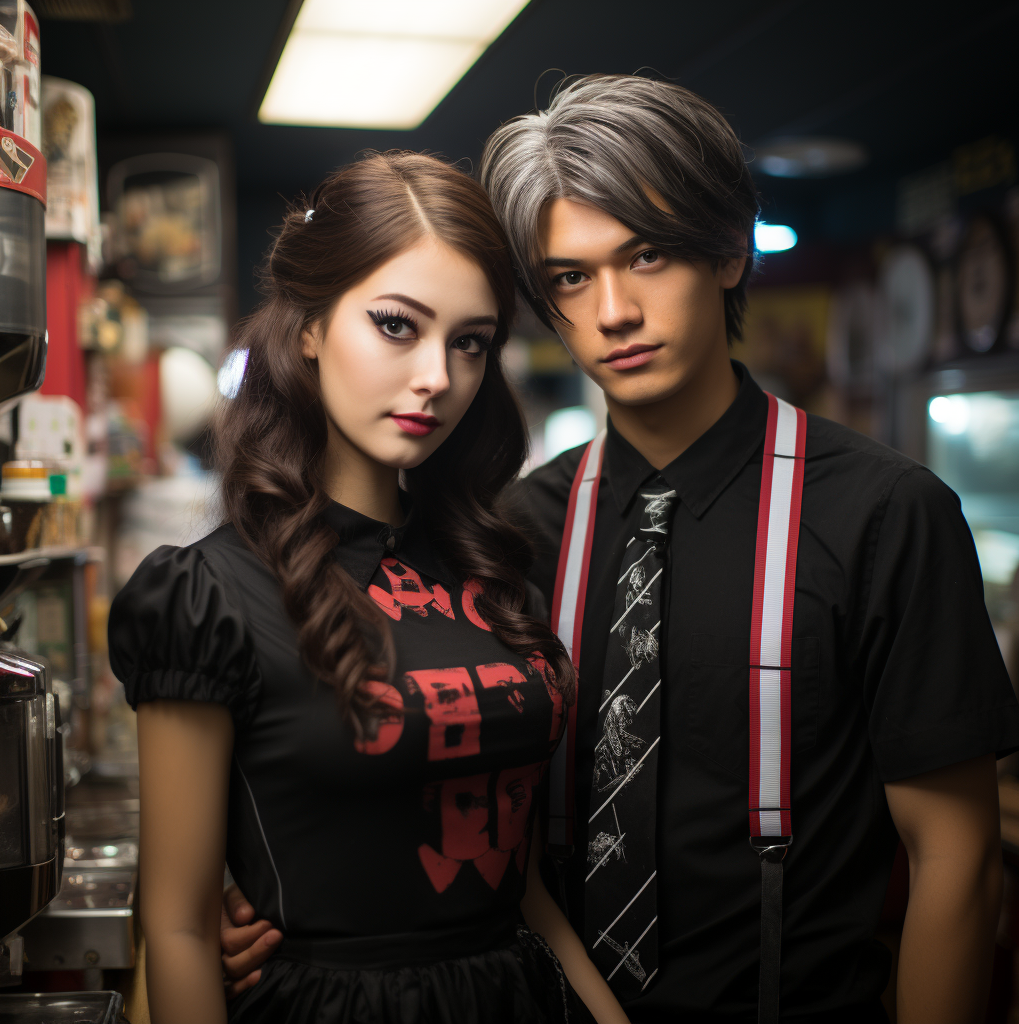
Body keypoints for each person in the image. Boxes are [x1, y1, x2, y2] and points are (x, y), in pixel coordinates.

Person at [222, 80, 1019, 1023]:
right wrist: (271, 895)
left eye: (648, 255)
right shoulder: (506, 528)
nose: (613, 311)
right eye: (569, 277)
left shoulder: (886, 516)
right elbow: (414, 780)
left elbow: (958, 865)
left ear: (729, 253)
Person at [108, 152, 631, 1024]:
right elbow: (181, 929)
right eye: (398, 325)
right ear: (310, 327)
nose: (438, 376)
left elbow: (522, 885)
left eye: (470, 342)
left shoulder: (495, 573)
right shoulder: (209, 597)